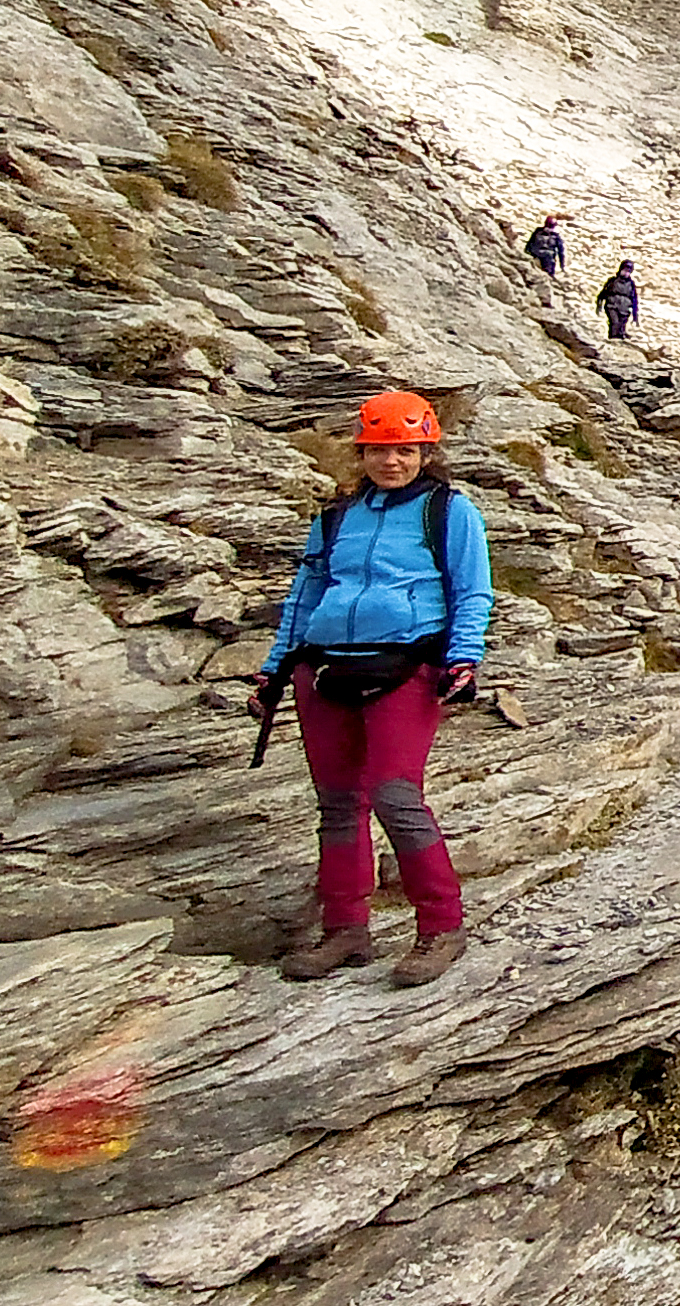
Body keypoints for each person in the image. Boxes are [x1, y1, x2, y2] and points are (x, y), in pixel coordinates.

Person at [253, 390, 495, 986]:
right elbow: (304, 596)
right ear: (362, 452)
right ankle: (346, 930)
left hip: (406, 668)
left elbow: (473, 592)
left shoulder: (448, 511)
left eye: (406, 450)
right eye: (382, 450)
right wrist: (275, 667)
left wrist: (462, 659)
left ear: (426, 451)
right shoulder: (337, 516)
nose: (393, 462)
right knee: (337, 803)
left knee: (395, 796)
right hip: (324, 667)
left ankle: (441, 927)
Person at [596, 259, 639, 340]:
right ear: (620, 269)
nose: (626, 273)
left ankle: (620, 337)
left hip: (624, 309)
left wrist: (635, 314)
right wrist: (599, 304)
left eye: (628, 271)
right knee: (614, 323)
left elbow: (634, 299)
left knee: (621, 326)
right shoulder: (613, 281)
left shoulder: (631, 284)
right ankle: (613, 339)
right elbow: (603, 293)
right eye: (625, 270)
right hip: (612, 306)